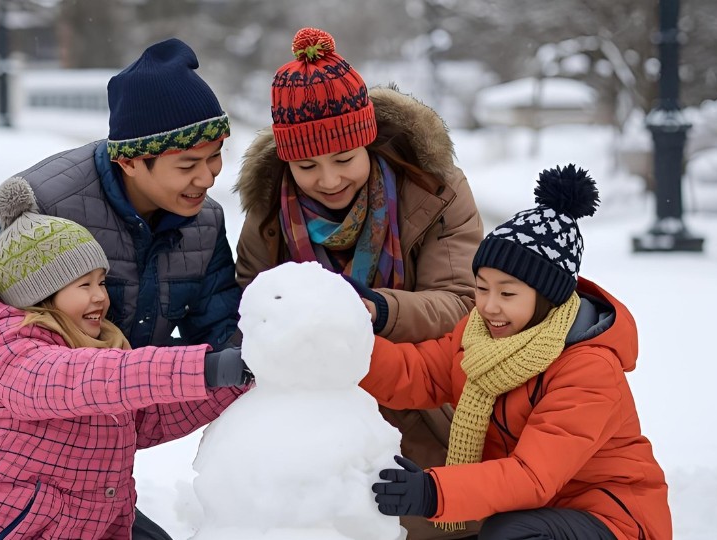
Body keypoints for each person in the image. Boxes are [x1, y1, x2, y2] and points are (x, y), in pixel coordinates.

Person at [0, 38, 240, 539]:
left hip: (83, 483)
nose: (208, 177)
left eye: (215, 157)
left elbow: (218, 339)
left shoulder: (203, 222)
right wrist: (35, 424)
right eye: (188, 164)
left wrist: (252, 363)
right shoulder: (41, 204)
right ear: (132, 160)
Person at [233, 27, 483, 539]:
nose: (328, 180)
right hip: (318, 415)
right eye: (307, 165)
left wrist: (377, 310)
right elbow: (248, 308)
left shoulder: (435, 191)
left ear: (367, 140)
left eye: (344, 159)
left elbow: (463, 302)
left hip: (428, 402)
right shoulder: (267, 215)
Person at [0, 178, 250, 539]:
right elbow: (79, 380)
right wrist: (205, 367)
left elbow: (154, 412)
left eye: (101, 282)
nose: (100, 296)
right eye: (84, 285)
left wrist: (242, 377)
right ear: (41, 295)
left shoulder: (96, 352)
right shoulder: (10, 353)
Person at [365, 165, 672, 540]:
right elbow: (419, 373)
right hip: (543, 508)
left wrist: (433, 493)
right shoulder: (479, 335)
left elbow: (533, 475)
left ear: (547, 298)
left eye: (508, 294)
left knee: (509, 534)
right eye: (482, 288)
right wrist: (353, 348)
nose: (490, 306)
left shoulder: (589, 369)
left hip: (613, 518)